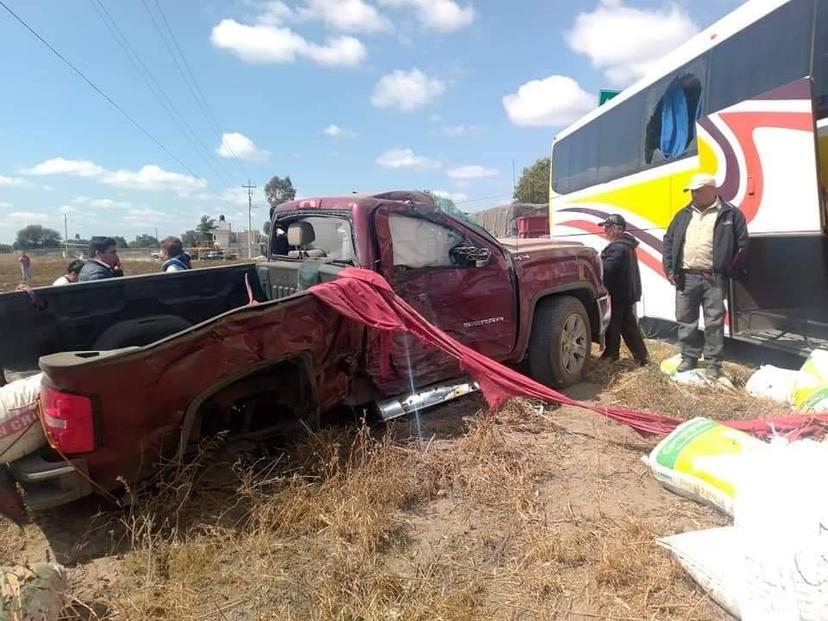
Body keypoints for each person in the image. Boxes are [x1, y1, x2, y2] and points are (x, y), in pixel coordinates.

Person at [662, 173, 749, 378]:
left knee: (714, 322)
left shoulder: (731, 214)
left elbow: (742, 245)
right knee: (685, 320)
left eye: (698, 190)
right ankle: (689, 357)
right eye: (692, 191)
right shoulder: (683, 214)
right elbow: (668, 241)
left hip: (714, 278)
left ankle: (713, 363)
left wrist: (728, 271)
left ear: (712, 189)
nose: (694, 194)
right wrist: (670, 269)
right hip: (686, 278)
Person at [598, 214, 649, 366]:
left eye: (608, 227)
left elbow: (608, 268)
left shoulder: (618, 247)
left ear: (618, 229)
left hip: (618, 293)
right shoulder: (625, 244)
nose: (605, 230)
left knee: (613, 325)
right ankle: (641, 357)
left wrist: (597, 263)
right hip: (626, 293)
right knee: (628, 327)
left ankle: (611, 355)